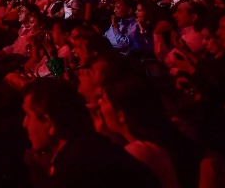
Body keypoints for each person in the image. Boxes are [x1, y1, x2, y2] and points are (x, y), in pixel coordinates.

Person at [20, 78, 162, 188]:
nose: (24, 124)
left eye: (28, 115)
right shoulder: (96, 147)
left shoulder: (75, 172)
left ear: (49, 123)